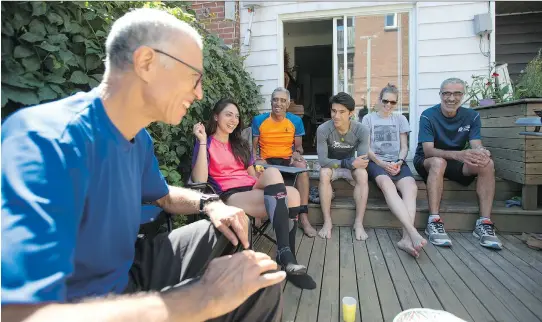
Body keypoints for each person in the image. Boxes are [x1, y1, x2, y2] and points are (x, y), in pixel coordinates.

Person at [1, 8, 285, 322]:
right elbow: (19, 315)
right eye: (194, 77)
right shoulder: (46, 140)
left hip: (129, 269)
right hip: (82, 302)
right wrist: (201, 298)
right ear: (146, 62)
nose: (199, 92)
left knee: (256, 274)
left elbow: (163, 196)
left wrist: (210, 203)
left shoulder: (139, 139)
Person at [191, 98, 316, 290]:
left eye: (236, 116)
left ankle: (286, 255)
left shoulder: (239, 144)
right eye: (228, 114)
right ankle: (287, 258)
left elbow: (251, 175)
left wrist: (261, 178)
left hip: (251, 187)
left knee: (287, 188)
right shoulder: (206, 144)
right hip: (230, 194)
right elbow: (199, 179)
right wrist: (200, 142)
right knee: (287, 195)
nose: (233, 119)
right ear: (216, 117)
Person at [413, 78, 502, 249]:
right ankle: (434, 220)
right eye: (446, 93)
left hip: (455, 161)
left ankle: (484, 223)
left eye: (456, 93)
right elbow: (428, 151)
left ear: (463, 95)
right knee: (439, 163)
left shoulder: (472, 116)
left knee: (487, 164)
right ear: (440, 95)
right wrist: (459, 154)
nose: (451, 98)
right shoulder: (428, 115)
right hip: (428, 160)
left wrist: (482, 152)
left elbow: (476, 144)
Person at [362, 84, 427, 258]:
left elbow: (404, 147)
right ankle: (412, 232)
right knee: (387, 184)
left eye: (393, 102)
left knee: (411, 188)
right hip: (376, 161)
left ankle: (406, 238)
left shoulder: (400, 120)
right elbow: (366, 149)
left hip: (396, 162)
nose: (389, 105)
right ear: (378, 100)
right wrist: (382, 163)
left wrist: (399, 161)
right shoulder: (368, 119)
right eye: (385, 101)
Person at [252, 87, 317, 238]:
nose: (278, 103)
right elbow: (254, 149)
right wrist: (256, 158)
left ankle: (303, 216)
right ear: (271, 102)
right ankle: (257, 215)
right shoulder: (259, 120)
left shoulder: (295, 121)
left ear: (288, 104)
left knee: (302, 167)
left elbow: (299, 147)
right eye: (275, 99)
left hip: (287, 160)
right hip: (266, 160)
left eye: (282, 100)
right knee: (257, 165)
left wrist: (297, 153)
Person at [316, 92, 370, 240]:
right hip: (333, 167)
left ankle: (358, 223)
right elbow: (323, 161)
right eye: (334, 111)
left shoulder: (361, 130)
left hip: (349, 169)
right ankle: (327, 222)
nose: (336, 116)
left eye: (342, 112)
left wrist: (352, 164)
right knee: (323, 173)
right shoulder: (323, 129)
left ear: (351, 113)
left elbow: (363, 161)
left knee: (362, 174)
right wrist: (348, 163)